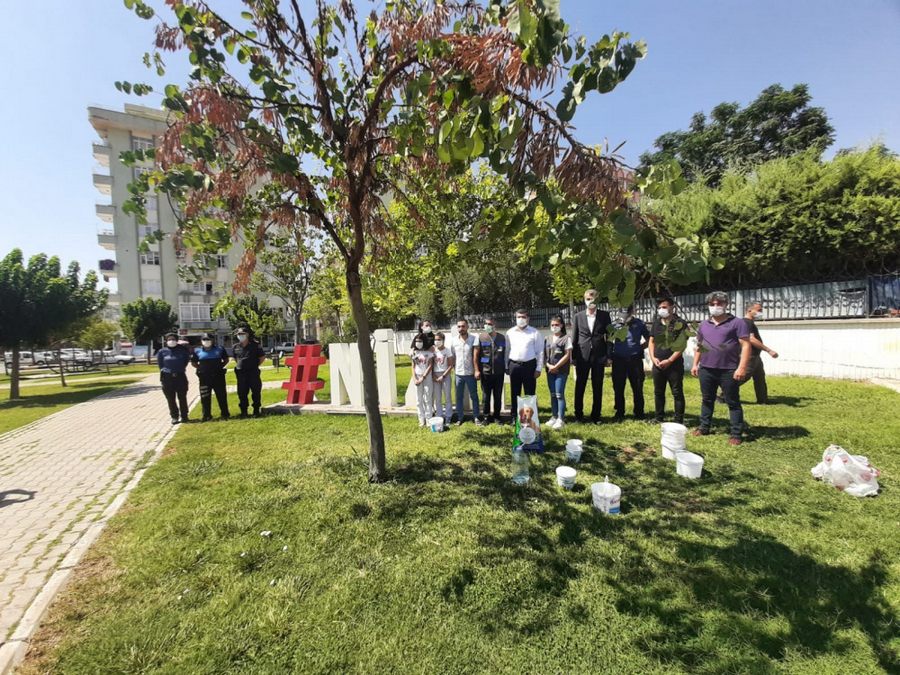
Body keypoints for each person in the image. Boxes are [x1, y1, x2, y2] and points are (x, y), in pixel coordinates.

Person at [691, 291, 751, 445]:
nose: (715, 307)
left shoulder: (737, 323)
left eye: (719, 304)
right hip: (706, 369)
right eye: (712, 304)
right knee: (707, 399)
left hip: (728, 370)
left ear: (726, 305)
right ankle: (704, 427)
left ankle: (736, 434)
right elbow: (700, 346)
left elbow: (745, 345)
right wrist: (695, 364)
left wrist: (742, 367)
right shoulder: (704, 324)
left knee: (732, 402)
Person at [572, 289, 612, 423]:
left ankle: (596, 416)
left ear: (597, 300)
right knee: (580, 385)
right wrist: (574, 357)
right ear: (584, 300)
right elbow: (575, 337)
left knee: (597, 385)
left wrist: (608, 356)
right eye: (588, 299)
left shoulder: (605, 316)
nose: (590, 302)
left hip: (599, 356)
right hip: (582, 356)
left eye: (593, 299)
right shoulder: (578, 316)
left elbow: (610, 337)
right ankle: (578, 415)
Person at [648, 296, 687, 424]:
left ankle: (678, 420)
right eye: (659, 308)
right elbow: (651, 342)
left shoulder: (680, 323)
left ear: (672, 307)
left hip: (674, 365)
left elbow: (681, 345)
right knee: (658, 392)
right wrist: (653, 358)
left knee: (677, 392)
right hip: (658, 364)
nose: (661, 310)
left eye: (664, 307)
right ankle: (659, 417)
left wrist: (670, 360)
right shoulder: (657, 323)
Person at [608, 305, 649, 421]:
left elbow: (649, 339)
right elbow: (610, 342)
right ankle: (619, 412)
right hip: (618, 359)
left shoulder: (640, 324)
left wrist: (640, 348)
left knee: (637, 386)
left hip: (635, 359)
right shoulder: (614, 325)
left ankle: (639, 412)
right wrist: (609, 356)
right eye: (622, 315)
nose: (625, 318)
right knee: (618, 387)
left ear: (632, 312)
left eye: (627, 315)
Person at [505, 309, 544, 420]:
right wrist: (506, 366)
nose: (521, 319)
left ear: (528, 319)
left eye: (523, 317)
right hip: (514, 365)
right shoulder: (510, 332)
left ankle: (529, 417)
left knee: (529, 392)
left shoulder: (535, 332)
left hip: (529, 366)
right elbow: (507, 351)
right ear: (515, 318)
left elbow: (540, 352)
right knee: (515, 392)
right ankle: (514, 416)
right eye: (519, 317)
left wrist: (539, 368)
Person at [742, 301, 778, 404]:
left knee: (760, 378)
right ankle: (722, 395)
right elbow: (751, 339)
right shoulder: (746, 322)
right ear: (749, 310)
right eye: (759, 310)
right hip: (750, 355)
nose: (761, 312)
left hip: (756, 355)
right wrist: (768, 350)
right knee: (743, 376)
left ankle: (762, 400)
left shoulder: (750, 323)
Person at [191, 332, 230, 422]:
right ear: (201, 341)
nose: (206, 341)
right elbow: (193, 363)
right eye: (204, 339)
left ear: (212, 340)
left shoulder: (220, 349)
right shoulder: (197, 350)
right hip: (204, 378)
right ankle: (206, 415)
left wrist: (220, 366)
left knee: (221, 396)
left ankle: (225, 414)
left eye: (208, 339)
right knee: (205, 396)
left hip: (218, 376)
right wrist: (201, 368)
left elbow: (226, 359)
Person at [474, 317, 506, 424]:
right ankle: (486, 417)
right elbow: (476, 355)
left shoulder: (502, 338)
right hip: (485, 372)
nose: (488, 326)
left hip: (498, 373)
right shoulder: (481, 337)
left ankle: (497, 416)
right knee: (486, 396)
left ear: (495, 325)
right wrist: (477, 370)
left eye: (490, 324)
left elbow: (505, 353)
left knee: (498, 396)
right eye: (487, 324)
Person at [544, 314, 573, 430]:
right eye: (552, 325)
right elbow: (544, 355)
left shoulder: (567, 338)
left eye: (557, 325)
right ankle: (554, 416)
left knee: (559, 394)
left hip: (561, 371)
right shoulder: (547, 338)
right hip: (550, 370)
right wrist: (548, 365)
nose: (554, 327)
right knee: (552, 394)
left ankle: (561, 419)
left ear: (561, 325)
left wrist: (556, 366)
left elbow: (567, 354)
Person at [451, 319, 482, 426]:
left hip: (470, 373)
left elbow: (476, 357)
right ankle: (460, 417)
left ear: (467, 327)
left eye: (463, 326)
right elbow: (453, 356)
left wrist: (477, 370)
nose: (461, 329)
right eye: (459, 326)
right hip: (458, 373)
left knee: (474, 396)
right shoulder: (454, 340)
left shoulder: (474, 339)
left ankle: (476, 417)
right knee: (459, 397)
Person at [232, 326, 266, 418]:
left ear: (247, 334)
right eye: (239, 334)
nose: (240, 336)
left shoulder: (255, 345)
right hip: (241, 373)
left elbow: (262, 358)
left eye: (242, 334)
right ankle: (244, 411)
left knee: (255, 392)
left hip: (253, 372)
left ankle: (256, 411)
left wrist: (253, 365)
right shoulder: (235, 347)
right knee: (242, 393)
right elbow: (236, 358)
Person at [157, 331, 191, 424]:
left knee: (182, 397)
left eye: (173, 339)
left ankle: (184, 416)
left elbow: (186, 361)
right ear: (166, 341)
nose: (171, 341)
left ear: (177, 340)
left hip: (180, 376)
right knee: (170, 399)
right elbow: (160, 364)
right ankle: (174, 416)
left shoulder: (182, 350)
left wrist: (179, 369)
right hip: (167, 378)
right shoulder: (162, 351)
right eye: (169, 339)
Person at [411, 332, 435, 426]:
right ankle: (421, 419)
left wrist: (423, 377)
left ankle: (429, 419)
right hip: (417, 377)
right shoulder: (414, 352)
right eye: (416, 341)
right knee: (418, 400)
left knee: (427, 399)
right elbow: (413, 366)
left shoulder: (429, 353)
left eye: (420, 341)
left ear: (424, 342)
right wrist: (414, 378)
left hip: (427, 377)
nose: (418, 343)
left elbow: (430, 366)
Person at [432, 331, 454, 423]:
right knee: (438, 397)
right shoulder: (433, 351)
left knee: (447, 396)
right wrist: (434, 376)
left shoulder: (447, 351)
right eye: (435, 339)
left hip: (445, 375)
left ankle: (448, 416)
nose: (437, 341)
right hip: (435, 376)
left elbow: (450, 365)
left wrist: (443, 376)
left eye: (439, 339)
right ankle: (439, 415)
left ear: (443, 340)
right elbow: (431, 364)